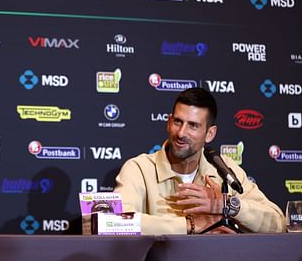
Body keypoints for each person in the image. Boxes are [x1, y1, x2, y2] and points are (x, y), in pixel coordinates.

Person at [114, 87, 284, 235]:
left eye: (193, 126)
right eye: (178, 122)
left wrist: (228, 206)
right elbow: (114, 222)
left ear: (210, 133)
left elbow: (279, 224)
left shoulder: (224, 170)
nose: (181, 133)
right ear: (168, 122)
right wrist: (191, 225)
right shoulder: (139, 169)